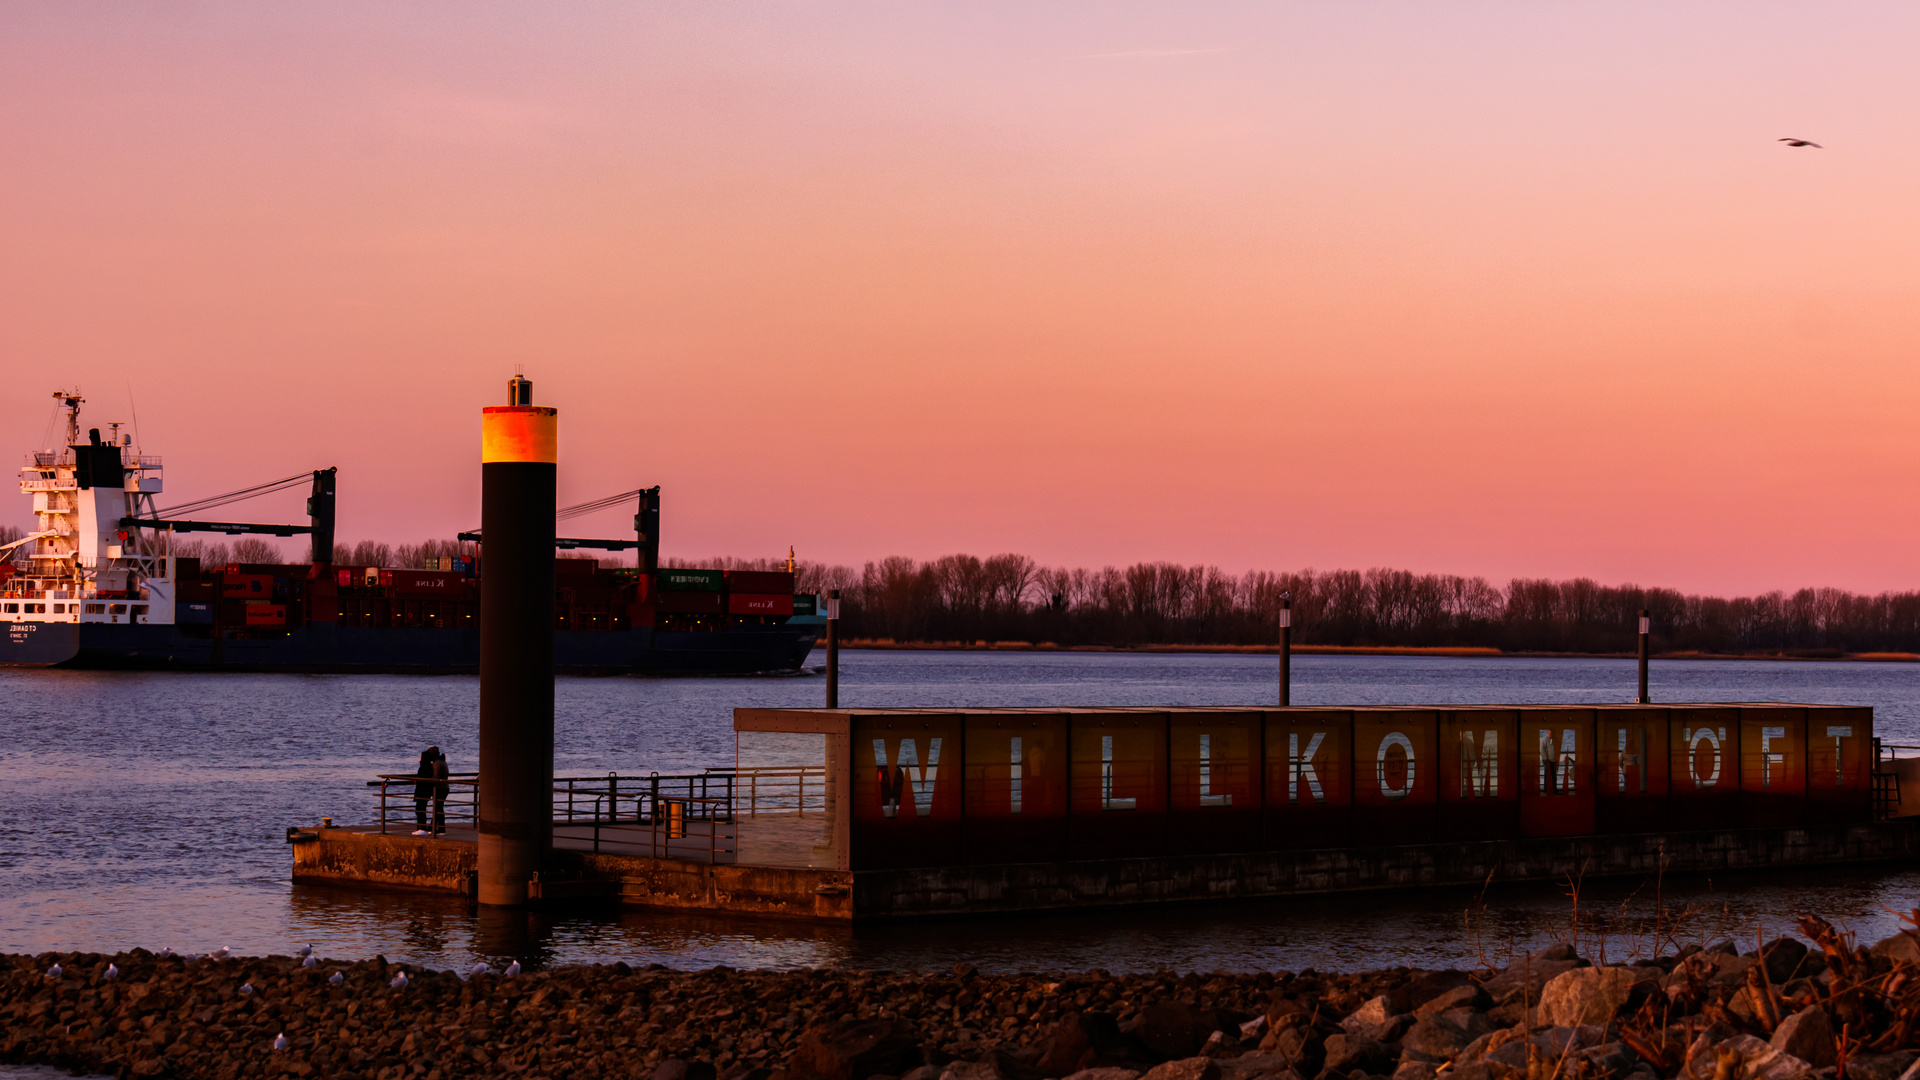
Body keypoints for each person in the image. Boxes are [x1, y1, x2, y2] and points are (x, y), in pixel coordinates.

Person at [410, 747, 436, 836]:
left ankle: (422, 828)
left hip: (422, 790)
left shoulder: (424, 766)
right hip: (425, 790)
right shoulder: (429, 765)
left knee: (420, 809)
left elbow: (422, 778)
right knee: (421, 808)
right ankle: (421, 827)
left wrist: (416, 780)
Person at [430, 747, 451, 836]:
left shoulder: (436, 764)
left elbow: (436, 777)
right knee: (439, 807)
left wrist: (430, 784)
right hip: (445, 787)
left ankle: (439, 828)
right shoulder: (443, 762)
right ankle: (436, 826)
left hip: (439, 788)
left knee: (438, 808)